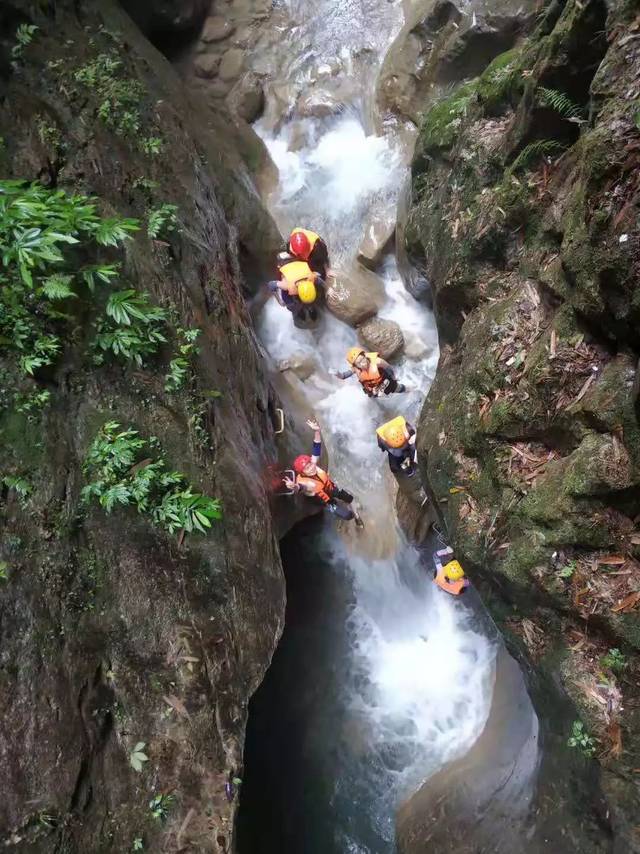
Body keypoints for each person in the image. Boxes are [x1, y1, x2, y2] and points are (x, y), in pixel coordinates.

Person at [284, 419, 364, 527]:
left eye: (310, 464)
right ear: (302, 472)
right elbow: (300, 487)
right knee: (347, 516)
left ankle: (357, 516)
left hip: (332, 488)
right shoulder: (307, 482)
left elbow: (316, 447)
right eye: (307, 468)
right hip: (325, 500)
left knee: (350, 498)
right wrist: (293, 486)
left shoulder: (313, 463)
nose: (311, 468)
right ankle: (347, 512)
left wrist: (317, 431)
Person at [267, 257, 323, 322]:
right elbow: (270, 285)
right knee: (293, 305)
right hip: (288, 272)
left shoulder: (312, 278)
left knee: (310, 304)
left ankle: (311, 309)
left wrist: (329, 289)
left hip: (298, 267)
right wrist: (279, 300)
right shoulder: (287, 285)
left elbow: (319, 278)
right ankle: (300, 313)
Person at [334, 348, 407, 397]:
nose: (363, 363)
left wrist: (393, 378)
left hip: (384, 381)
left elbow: (388, 368)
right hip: (372, 388)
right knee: (373, 395)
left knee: (396, 388)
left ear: (365, 356)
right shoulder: (356, 369)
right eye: (359, 363)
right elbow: (344, 376)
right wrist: (338, 374)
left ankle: (407, 389)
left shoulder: (378, 361)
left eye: (363, 359)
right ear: (355, 365)